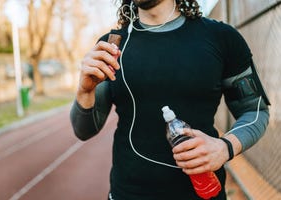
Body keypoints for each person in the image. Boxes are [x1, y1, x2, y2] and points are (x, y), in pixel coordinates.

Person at [70, 0, 270, 199]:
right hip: (127, 193)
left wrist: (225, 147)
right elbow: (84, 130)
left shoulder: (221, 38)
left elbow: (255, 110)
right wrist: (85, 91)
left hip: (202, 193)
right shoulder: (111, 46)